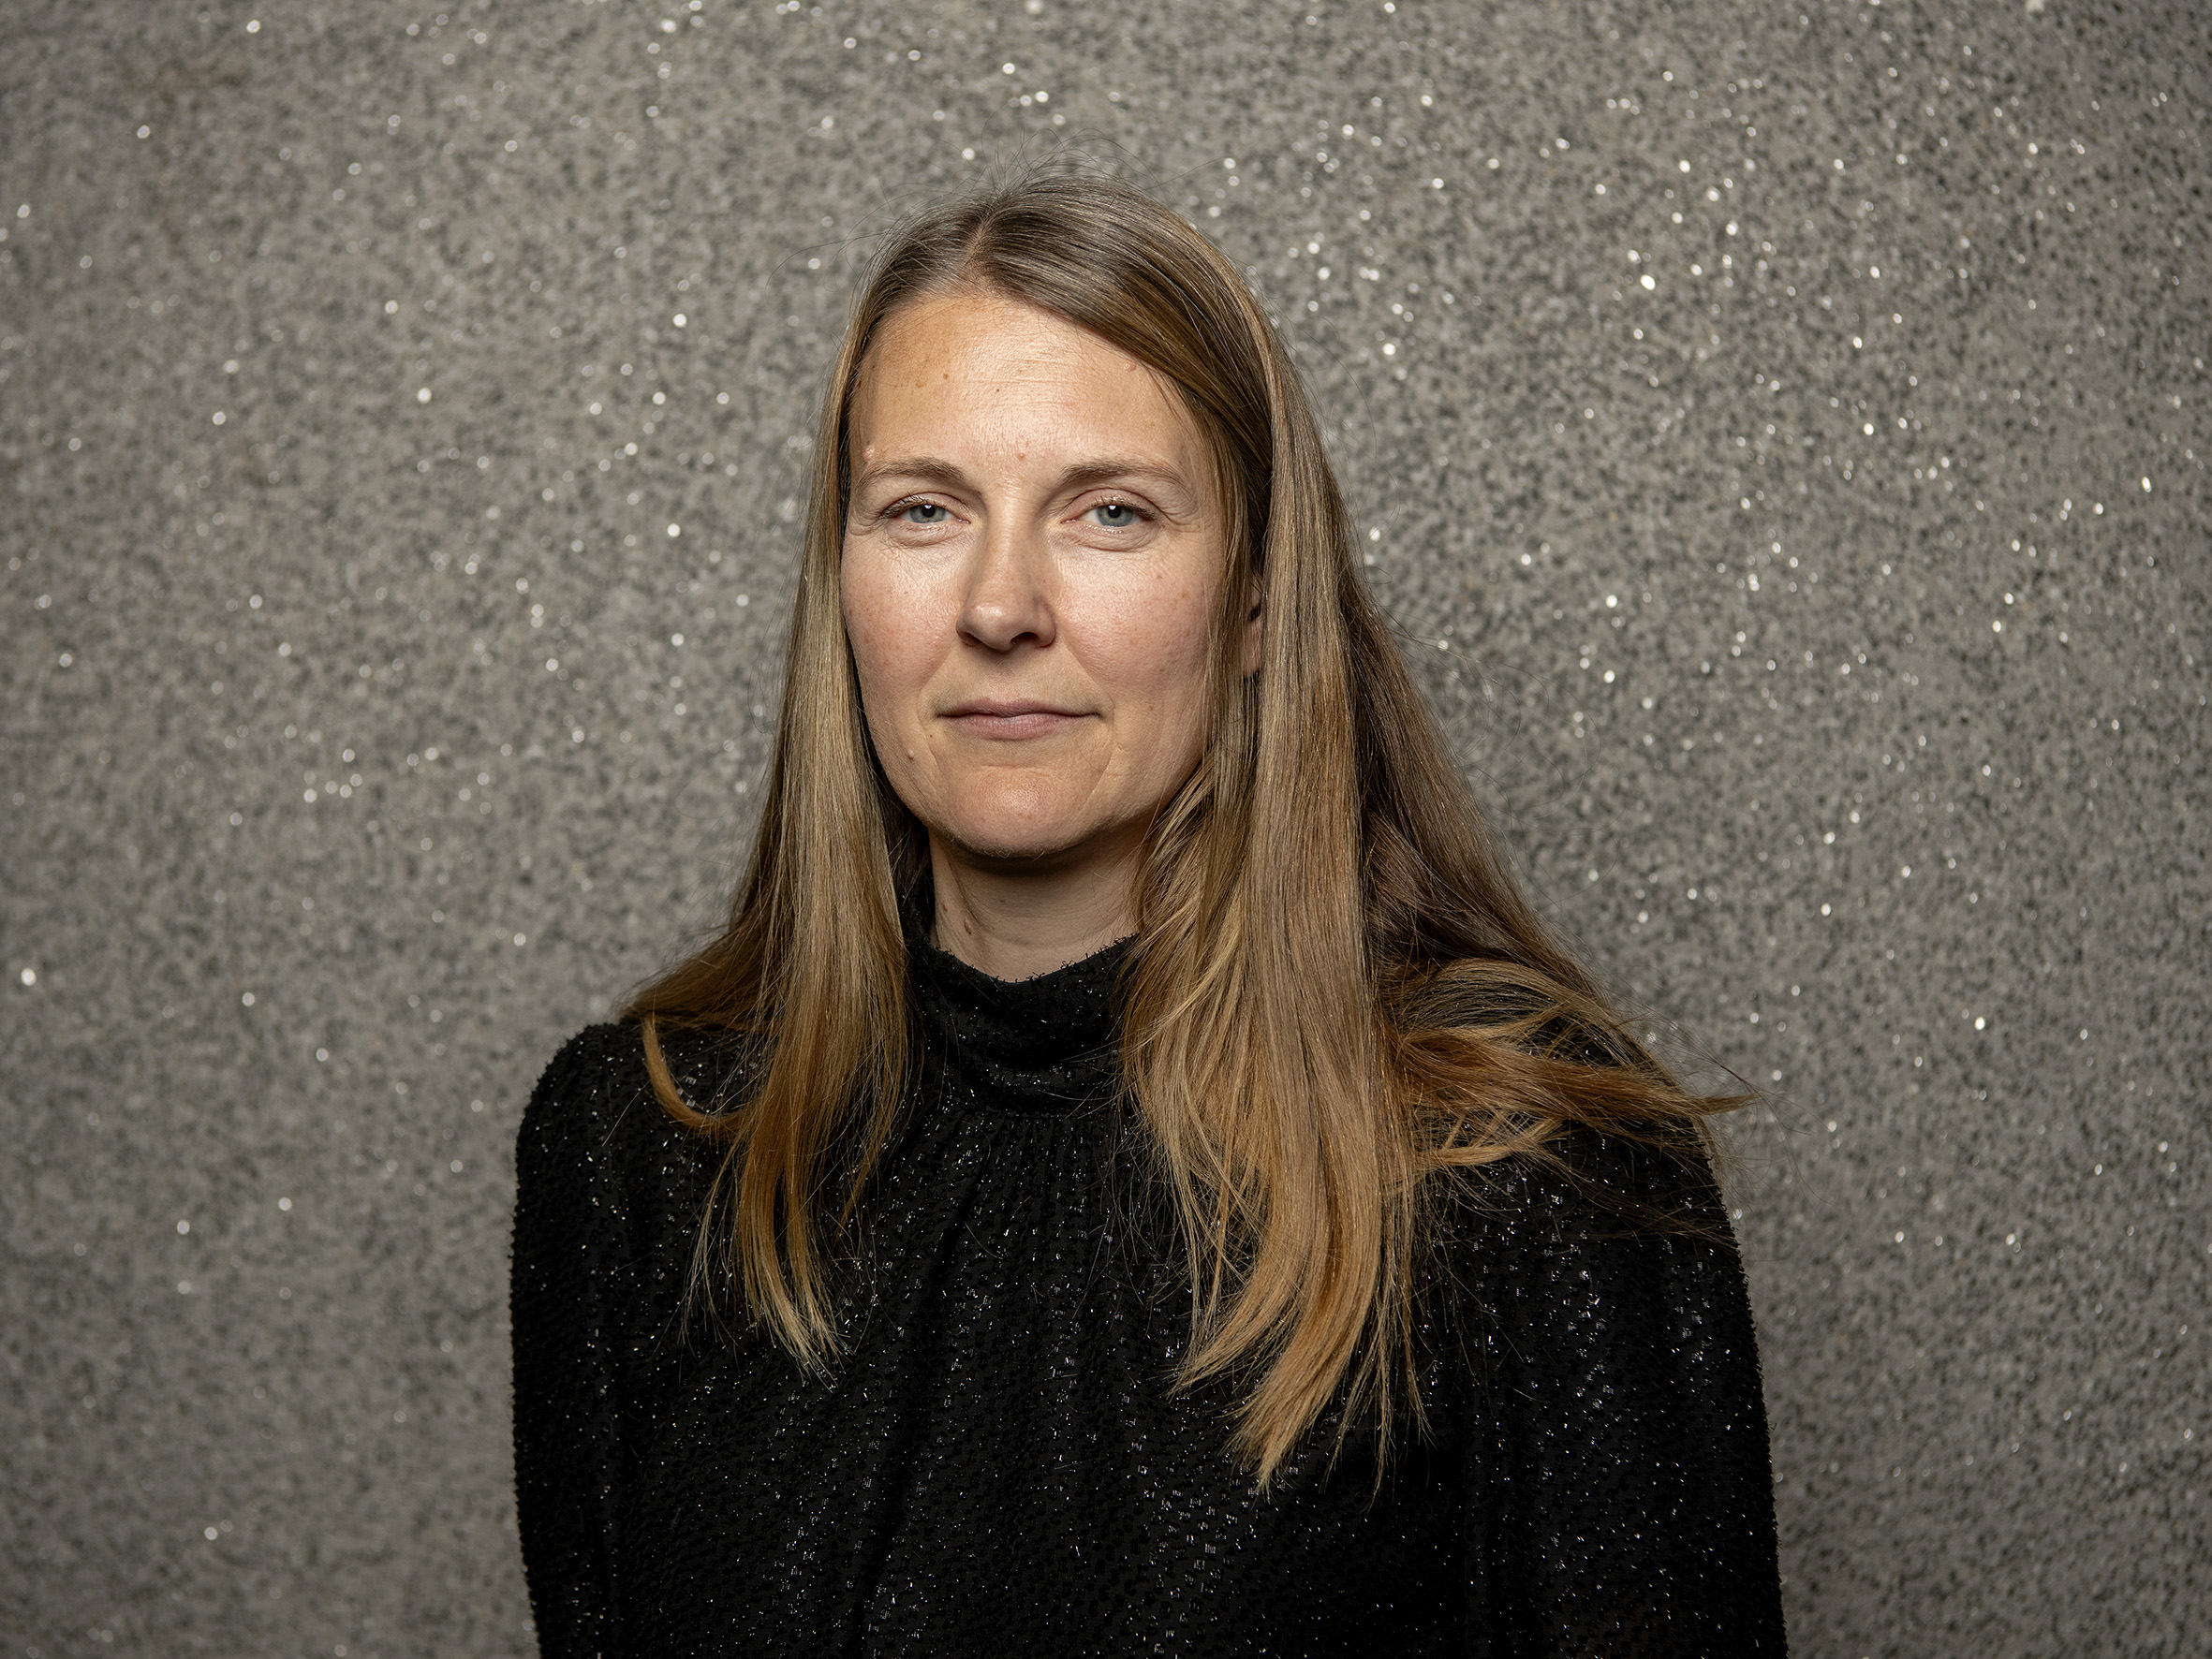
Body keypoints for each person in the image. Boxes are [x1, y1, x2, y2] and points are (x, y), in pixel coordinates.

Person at [510, 170, 1786, 1657]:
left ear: (1253, 601)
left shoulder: (1522, 1162)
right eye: (923, 509)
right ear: (840, 582)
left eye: (1108, 511)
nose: (999, 606)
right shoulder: (641, 1149)